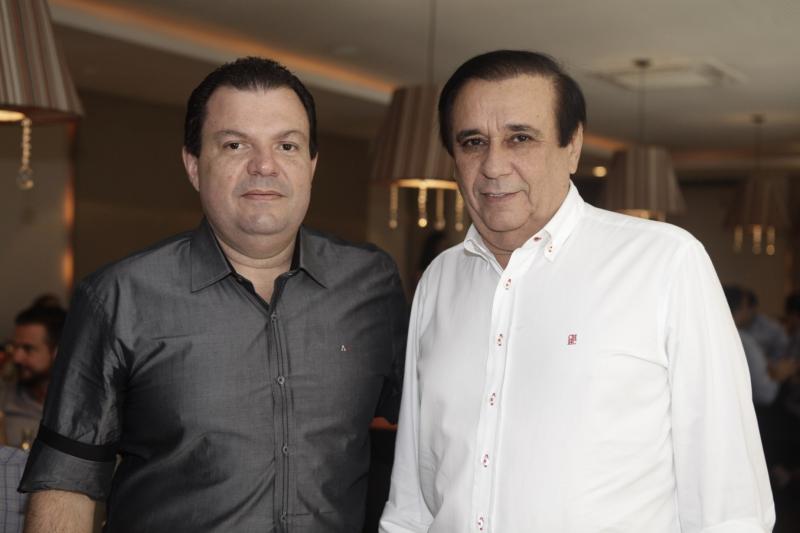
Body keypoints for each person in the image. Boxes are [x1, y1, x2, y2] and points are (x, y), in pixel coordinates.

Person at [380, 50, 774, 532]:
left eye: (520, 138)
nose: (493, 165)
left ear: (573, 146)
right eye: (473, 142)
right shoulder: (438, 281)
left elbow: (730, 504)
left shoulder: (666, 263)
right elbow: (413, 498)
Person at [20, 57, 408, 532]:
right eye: (234, 144)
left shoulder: (371, 283)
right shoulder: (119, 297)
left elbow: (434, 433)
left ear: (311, 165)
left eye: (287, 145)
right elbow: (67, 481)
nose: (264, 165)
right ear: (194, 165)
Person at [0, 305, 66, 448]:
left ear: (57, 352)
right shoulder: (4, 399)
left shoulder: (79, 410)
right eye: (14, 347)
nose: (16, 357)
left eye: (27, 348)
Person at [740, 288, 789, 360]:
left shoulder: (772, 328)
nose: (736, 311)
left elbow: (784, 353)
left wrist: (770, 362)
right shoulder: (730, 326)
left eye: (741, 307)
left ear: (752, 308)